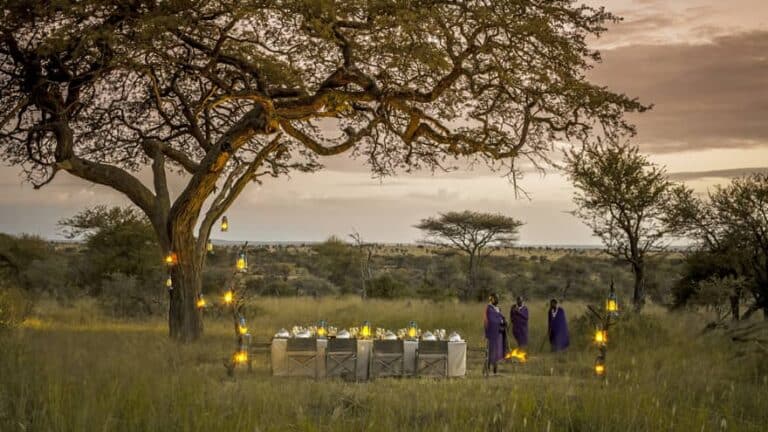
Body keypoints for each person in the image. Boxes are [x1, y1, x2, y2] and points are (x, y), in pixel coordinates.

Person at [484, 293, 508, 374]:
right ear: (492, 299)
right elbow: (492, 320)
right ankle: (488, 368)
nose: (498, 300)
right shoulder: (489, 308)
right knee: (492, 351)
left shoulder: (497, 308)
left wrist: (504, 321)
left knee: (498, 351)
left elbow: (501, 317)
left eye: (498, 298)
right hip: (492, 333)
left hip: (499, 333)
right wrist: (500, 321)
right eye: (496, 298)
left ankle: (495, 368)